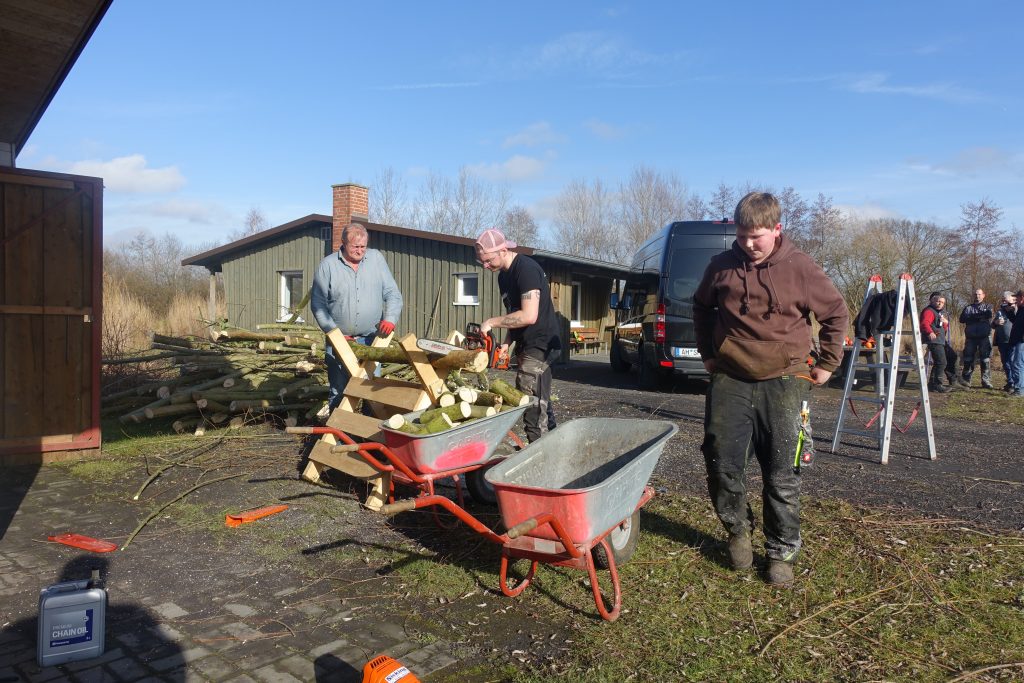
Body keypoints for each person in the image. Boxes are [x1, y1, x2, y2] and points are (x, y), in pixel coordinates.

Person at [693, 192, 848, 587]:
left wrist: (828, 362)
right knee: (722, 461)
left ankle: (781, 552)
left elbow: (835, 312)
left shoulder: (801, 267)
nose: (748, 244)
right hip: (730, 377)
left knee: (783, 470)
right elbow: (701, 307)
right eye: (742, 235)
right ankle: (738, 531)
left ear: (777, 229)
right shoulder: (721, 267)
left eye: (757, 236)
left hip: (786, 378)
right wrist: (709, 353)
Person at [475, 227, 560, 443]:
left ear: (503, 251)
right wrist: (506, 343)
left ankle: (540, 455)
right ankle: (555, 444)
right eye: (482, 262)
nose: (485, 266)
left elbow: (529, 316)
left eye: (488, 260)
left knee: (531, 404)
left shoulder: (526, 269)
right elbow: (514, 314)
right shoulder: (503, 277)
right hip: (525, 343)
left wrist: (491, 322)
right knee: (541, 401)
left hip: (541, 343)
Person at [311, 223, 403, 411]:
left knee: (371, 390)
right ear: (344, 243)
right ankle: (338, 429)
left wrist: (390, 318)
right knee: (339, 391)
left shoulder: (376, 260)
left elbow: (393, 293)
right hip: (339, 341)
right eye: (355, 247)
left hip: (371, 340)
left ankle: (369, 428)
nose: (360, 251)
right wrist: (334, 333)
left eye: (363, 247)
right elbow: (318, 304)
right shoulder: (328, 265)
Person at [959, 288, 994, 388]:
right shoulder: (968, 307)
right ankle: (966, 380)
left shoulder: (988, 306)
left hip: (984, 337)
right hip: (971, 337)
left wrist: (971, 318)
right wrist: (979, 317)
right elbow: (962, 319)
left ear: (983, 295)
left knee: (985, 359)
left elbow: (988, 315)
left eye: (979, 294)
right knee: (968, 359)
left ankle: (986, 381)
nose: (977, 296)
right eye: (975, 294)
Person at [920, 292, 952, 393]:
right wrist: (930, 332)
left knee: (939, 362)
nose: (939, 304)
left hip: (939, 340)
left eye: (942, 302)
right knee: (942, 362)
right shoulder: (929, 311)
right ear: (933, 301)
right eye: (938, 301)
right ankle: (937, 384)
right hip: (933, 340)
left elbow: (943, 329)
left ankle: (932, 384)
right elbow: (924, 323)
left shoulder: (940, 313)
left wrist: (945, 323)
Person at [993, 291, 1015, 381]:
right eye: (1003, 299)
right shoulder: (1000, 311)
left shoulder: (1017, 310)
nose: (1004, 301)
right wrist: (996, 322)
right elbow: (992, 325)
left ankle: (1015, 382)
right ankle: (1010, 381)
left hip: (1013, 340)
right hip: (1002, 341)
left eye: (1006, 299)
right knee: (1005, 362)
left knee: (1012, 361)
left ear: (1012, 299)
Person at [1006, 288, 1024, 397]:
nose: (1015, 300)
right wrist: (1010, 312)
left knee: (1017, 364)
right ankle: (1019, 388)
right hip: (1017, 340)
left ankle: (1019, 390)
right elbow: (1016, 322)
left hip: (1021, 341)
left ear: (1022, 298)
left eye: (1016, 298)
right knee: (1018, 364)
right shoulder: (1021, 309)